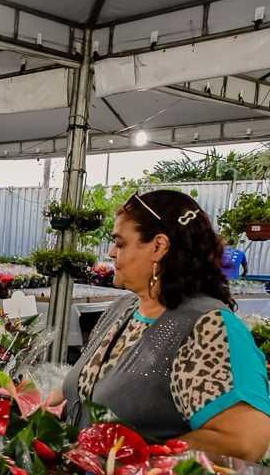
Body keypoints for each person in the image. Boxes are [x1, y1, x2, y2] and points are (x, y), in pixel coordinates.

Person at [57, 190, 270, 460]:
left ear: (158, 246)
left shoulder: (207, 327)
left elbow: (245, 440)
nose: (110, 253)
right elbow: (93, 390)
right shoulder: (122, 310)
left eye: (120, 243)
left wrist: (142, 459)